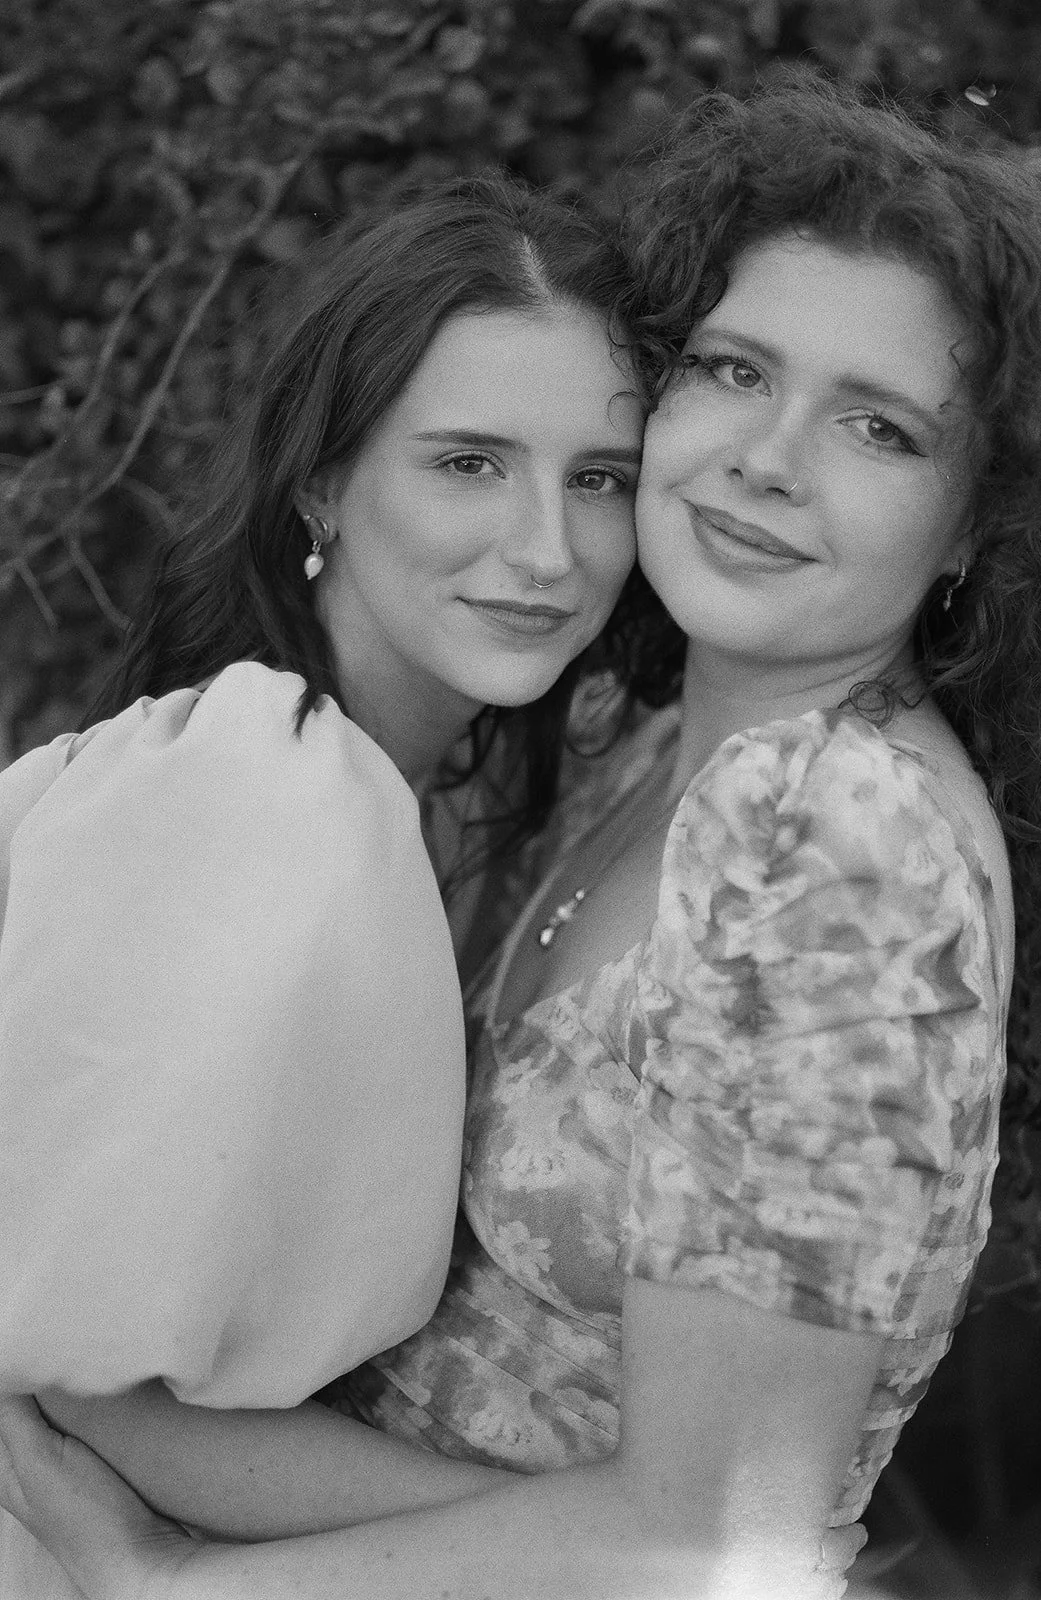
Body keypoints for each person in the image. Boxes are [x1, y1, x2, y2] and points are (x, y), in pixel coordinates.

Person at [2, 65, 1041, 1599]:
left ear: (977, 528)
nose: (766, 454)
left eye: (879, 428)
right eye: (737, 371)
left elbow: (717, 1539)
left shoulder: (832, 841)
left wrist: (156, 1584)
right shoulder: (649, 752)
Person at [0, 172, 645, 1594]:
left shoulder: (368, 785)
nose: (546, 550)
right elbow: (108, 1392)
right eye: (469, 462)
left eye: (599, 478)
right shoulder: (262, 785)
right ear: (324, 482)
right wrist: (623, 1543)